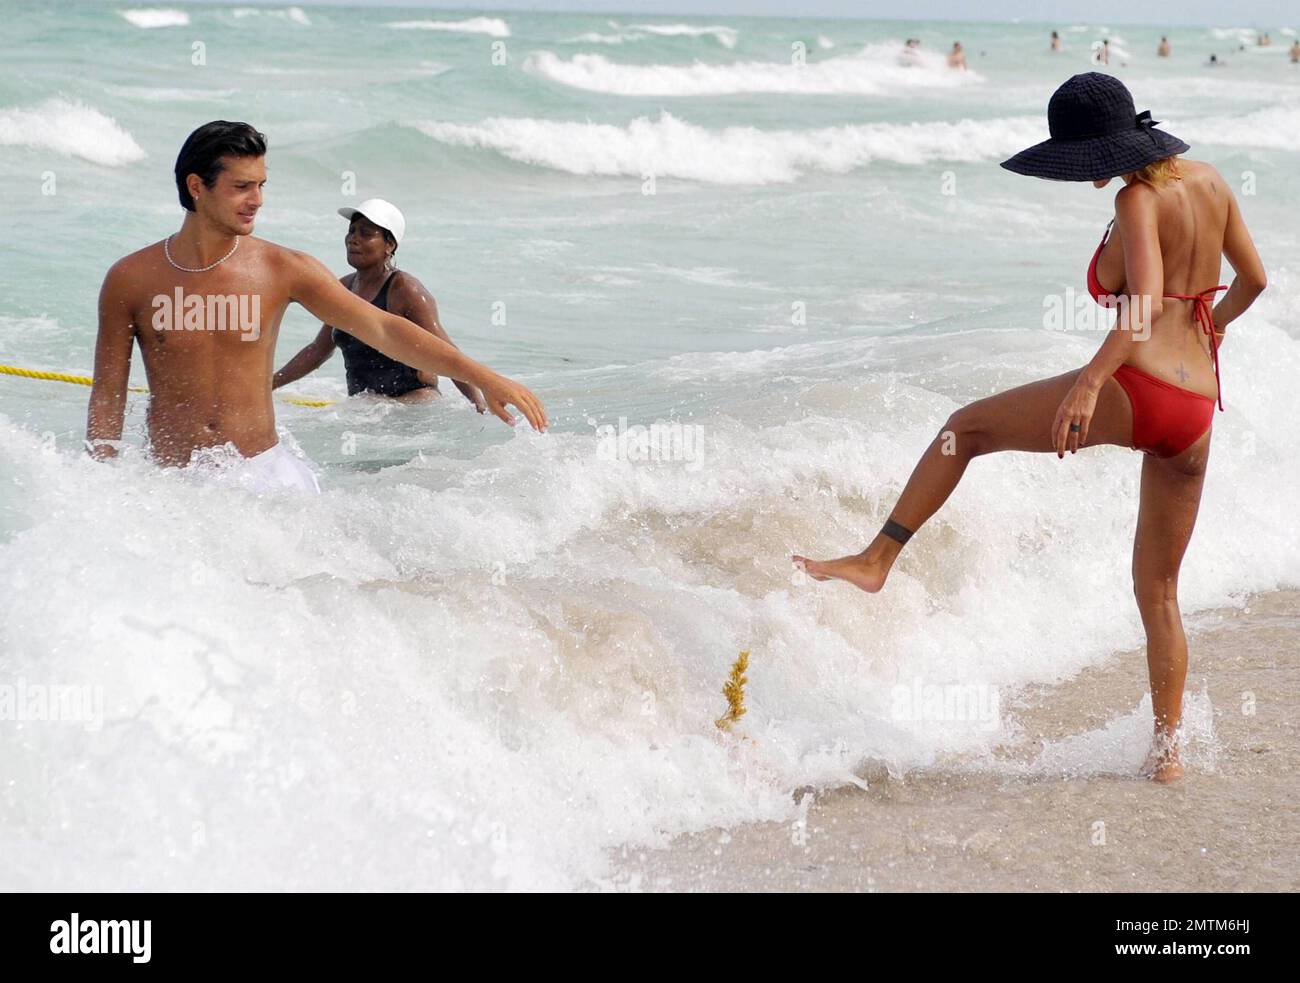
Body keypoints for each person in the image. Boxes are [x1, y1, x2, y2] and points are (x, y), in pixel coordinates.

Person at [793, 74, 1267, 784]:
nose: (1088, 178)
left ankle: (877, 560)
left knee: (965, 430)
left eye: (1085, 160)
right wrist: (1213, 335)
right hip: (1198, 408)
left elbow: (1139, 309)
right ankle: (1168, 757)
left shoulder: (1136, 199)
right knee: (1160, 592)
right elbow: (1255, 281)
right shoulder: (1211, 181)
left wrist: (1088, 381)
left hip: (1139, 386)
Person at [86, 121, 546, 493]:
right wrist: (101, 480)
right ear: (197, 186)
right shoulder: (131, 278)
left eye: (262, 185)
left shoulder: (283, 268)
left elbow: (384, 330)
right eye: (243, 186)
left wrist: (482, 375)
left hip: (264, 477)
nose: (257, 200)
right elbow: (108, 393)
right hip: (172, 483)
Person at [273, 199, 487, 411]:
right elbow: (318, 350)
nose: (353, 239)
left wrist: (479, 404)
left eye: (366, 233)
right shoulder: (344, 287)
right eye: (352, 231)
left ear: (390, 245)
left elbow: (446, 352)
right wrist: (269, 385)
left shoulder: (405, 290)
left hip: (414, 407)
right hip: (368, 410)